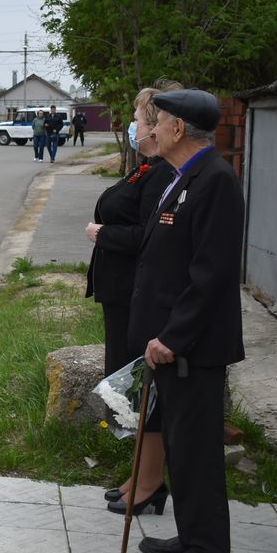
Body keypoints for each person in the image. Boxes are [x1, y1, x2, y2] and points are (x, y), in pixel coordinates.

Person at [132, 88, 244, 553]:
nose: (151, 129)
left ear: (178, 130)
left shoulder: (214, 181)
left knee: (197, 452)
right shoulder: (185, 178)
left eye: (159, 121)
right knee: (181, 446)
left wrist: (172, 337)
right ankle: (192, 536)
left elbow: (212, 275)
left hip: (192, 348)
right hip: (173, 344)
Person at [84, 83, 178, 513]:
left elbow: (148, 235)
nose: (134, 126)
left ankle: (151, 482)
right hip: (121, 294)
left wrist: (104, 234)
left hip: (135, 296)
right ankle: (138, 475)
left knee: (143, 390)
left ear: (160, 128)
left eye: (141, 119)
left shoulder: (163, 173)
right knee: (134, 389)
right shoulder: (147, 167)